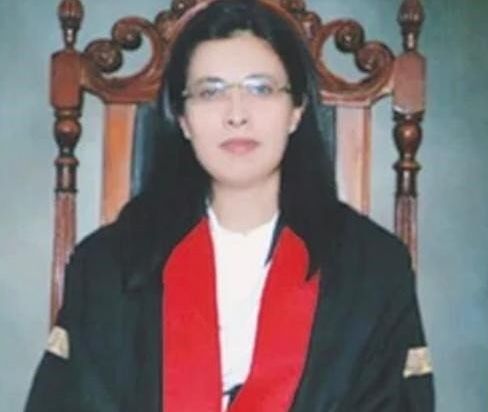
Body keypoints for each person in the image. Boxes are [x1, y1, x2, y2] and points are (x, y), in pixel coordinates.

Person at [25, 0, 434, 411]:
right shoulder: (106, 267)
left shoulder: (373, 270)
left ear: (296, 110)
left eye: (260, 89)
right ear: (182, 119)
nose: (237, 115)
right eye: (210, 92)